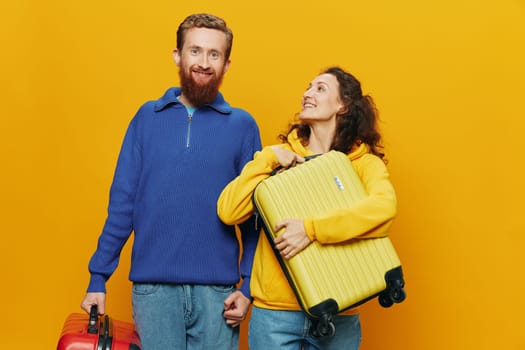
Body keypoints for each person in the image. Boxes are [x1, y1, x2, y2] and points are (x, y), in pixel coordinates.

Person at [80, 13, 262, 350]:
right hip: (154, 292)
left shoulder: (243, 126)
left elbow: (253, 216)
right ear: (177, 56)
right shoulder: (147, 118)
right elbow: (123, 204)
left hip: (219, 294)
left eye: (214, 54)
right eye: (195, 51)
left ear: (226, 64)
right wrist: (98, 278)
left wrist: (248, 286)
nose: (204, 63)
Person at [217, 66, 397, 349]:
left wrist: (311, 229)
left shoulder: (363, 164)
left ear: (342, 105)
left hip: (339, 309)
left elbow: (383, 209)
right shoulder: (279, 158)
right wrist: (268, 159)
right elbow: (229, 211)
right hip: (274, 313)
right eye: (308, 87)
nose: (308, 93)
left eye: (320, 88)